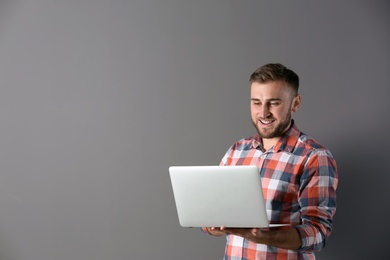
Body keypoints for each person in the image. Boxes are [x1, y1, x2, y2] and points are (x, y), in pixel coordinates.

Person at [202, 63, 338, 259]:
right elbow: (210, 220)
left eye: (274, 103)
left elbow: (318, 233)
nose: (263, 112)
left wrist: (263, 237)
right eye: (256, 102)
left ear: (295, 103)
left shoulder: (314, 157)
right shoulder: (236, 151)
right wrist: (213, 225)